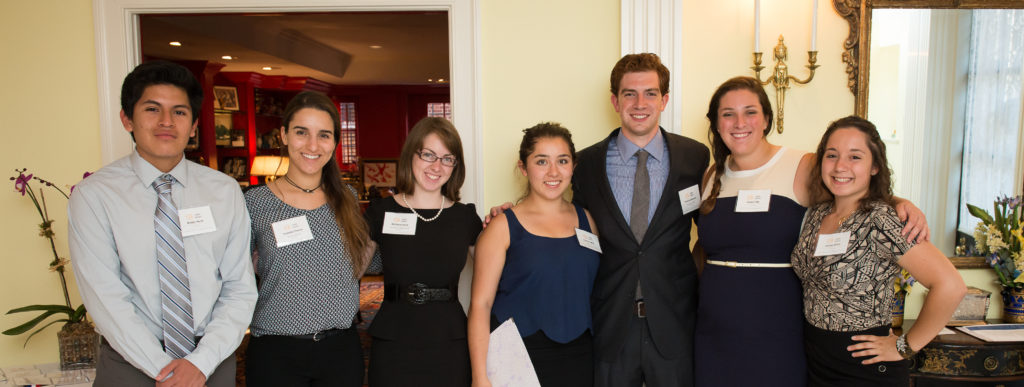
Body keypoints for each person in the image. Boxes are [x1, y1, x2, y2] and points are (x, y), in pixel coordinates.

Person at [694, 77, 931, 387]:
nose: (740, 122)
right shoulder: (712, 174)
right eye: (728, 113)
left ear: (767, 118)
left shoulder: (803, 164)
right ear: (716, 123)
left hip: (776, 327)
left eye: (750, 111)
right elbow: (703, 250)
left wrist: (900, 202)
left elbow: (851, 185)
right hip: (714, 328)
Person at [68, 60, 257, 386]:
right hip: (131, 364)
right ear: (127, 119)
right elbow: (105, 297)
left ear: (194, 125)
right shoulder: (94, 195)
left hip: (210, 364)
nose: (167, 122)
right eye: (152, 109)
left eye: (180, 112)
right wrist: (164, 369)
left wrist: (200, 362)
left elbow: (239, 287)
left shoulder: (224, 191)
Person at [791, 115, 966, 386]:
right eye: (832, 155)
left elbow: (951, 285)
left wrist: (904, 347)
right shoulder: (817, 212)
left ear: (875, 166)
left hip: (864, 368)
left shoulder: (881, 219)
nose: (840, 166)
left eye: (855, 157)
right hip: (816, 360)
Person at [243, 91, 377, 387]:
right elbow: (236, 273)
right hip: (276, 353)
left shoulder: (349, 199)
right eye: (301, 132)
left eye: (324, 135)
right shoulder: (255, 203)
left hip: (340, 351)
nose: (313, 145)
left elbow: (363, 260)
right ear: (284, 135)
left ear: (334, 142)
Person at [470, 122, 600, 387]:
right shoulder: (502, 226)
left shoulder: (586, 219)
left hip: (581, 357)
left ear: (573, 166)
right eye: (541, 161)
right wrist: (479, 376)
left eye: (562, 160)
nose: (553, 171)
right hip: (518, 357)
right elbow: (480, 306)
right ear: (523, 168)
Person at [363, 117, 482, 386]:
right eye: (428, 154)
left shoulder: (465, 218)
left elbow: (497, 278)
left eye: (447, 158)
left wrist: (509, 222)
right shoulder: (380, 212)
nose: (436, 166)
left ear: (455, 166)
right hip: (394, 338)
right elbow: (349, 271)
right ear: (411, 155)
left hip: (449, 341)